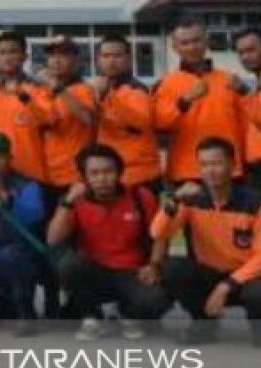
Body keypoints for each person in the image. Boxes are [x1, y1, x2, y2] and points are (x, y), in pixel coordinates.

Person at [151, 137, 261, 346]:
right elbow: (158, 232)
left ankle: (259, 325)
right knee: (174, 268)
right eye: (204, 164)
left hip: (246, 277)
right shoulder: (191, 199)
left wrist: (226, 285)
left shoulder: (256, 202)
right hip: (209, 273)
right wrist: (174, 199)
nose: (210, 170)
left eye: (216, 163)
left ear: (233, 165)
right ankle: (204, 321)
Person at [47, 144, 170, 342]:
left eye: (108, 171)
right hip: (93, 272)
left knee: (158, 299)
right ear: (84, 177)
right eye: (94, 173)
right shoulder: (74, 201)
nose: (102, 178)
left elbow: (160, 236)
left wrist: (154, 265)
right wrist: (68, 201)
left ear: (119, 173)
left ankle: (128, 314)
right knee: (67, 263)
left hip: (132, 272)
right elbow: (53, 239)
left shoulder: (141, 196)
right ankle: (91, 317)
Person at [153, 18, 246, 184]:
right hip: (187, 170)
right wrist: (184, 101)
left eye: (196, 40)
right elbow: (160, 124)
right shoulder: (166, 84)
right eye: (185, 43)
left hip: (231, 169)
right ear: (175, 47)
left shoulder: (229, 80)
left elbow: (247, 125)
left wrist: (244, 91)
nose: (192, 47)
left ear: (206, 41)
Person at [0, 131, 44, 336]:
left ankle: (25, 313)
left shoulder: (26, 185)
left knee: (12, 256)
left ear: (9, 159)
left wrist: (6, 200)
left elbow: (34, 214)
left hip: (14, 254)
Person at [0, 31, 53, 185]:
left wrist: (22, 95)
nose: (7, 57)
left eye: (13, 52)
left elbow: (48, 120)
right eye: (2, 53)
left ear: (24, 56)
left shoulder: (39, 88)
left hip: (32, 175)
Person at [91, 34, 160, 190]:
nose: (111, 61)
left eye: (117, 56)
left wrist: (107, 97)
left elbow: (138, 123)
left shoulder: (137, 89)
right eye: (106, 56)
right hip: (110, 173)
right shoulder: (97, 88)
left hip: (139, 175)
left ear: (129, 58)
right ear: (98, 60)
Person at [42, 35, 98, 199]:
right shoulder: (42, 90)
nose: (56, 60)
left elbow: (88, 118)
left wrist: (60, 90)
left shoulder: (84, 90)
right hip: (46, 175)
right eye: (52, 55)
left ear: (76, 59)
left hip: (74, 176)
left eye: (63, 55)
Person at [234, 27, 261, 192]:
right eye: (240, 53)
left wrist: (244, 92)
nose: (245, 57)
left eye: (251, 50)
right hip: (255, 164)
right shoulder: (258, 81)